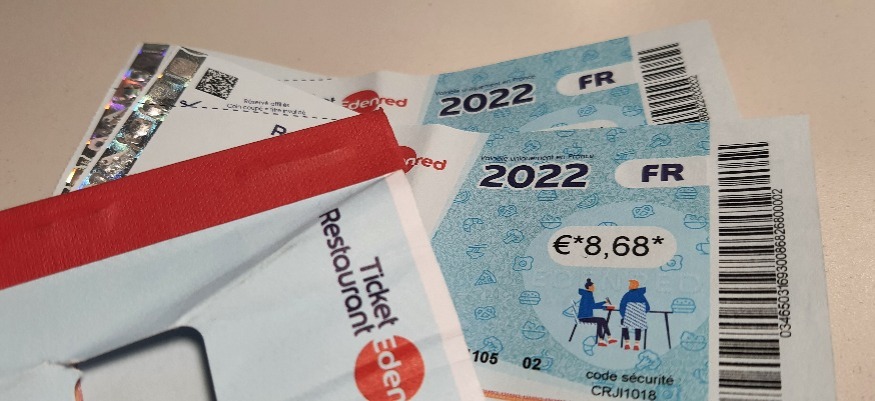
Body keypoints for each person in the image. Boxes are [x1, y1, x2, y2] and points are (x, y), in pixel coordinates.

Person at [577, 278, 616, 346]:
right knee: (602, 320)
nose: (594, 288)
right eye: (593, 287)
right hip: (584, 317)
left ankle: (604, 340)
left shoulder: (587, 294)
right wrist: (606, 307)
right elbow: (593, 306)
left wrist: (604, 302)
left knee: (601, 320)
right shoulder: (588, 295)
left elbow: (592, 305)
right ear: (589, 287)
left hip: (586, 316)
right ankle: (606, 339)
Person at [619, 279, 650, 351]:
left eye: (630, 285)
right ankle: (637, 344)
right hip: (639, 320)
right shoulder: (641, 296)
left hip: (628, 319)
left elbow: (622, 307)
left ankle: (627, 343)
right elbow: (647, 308)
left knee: (623, 322)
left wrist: (625, 316)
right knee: (638, 324)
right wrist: (639, 314)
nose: (629, 286)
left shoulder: (627, 295)